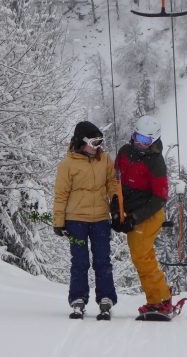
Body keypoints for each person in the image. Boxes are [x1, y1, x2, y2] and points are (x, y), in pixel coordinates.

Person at [53, 121, 118, 318]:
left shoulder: (105, 160)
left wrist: (115, 204)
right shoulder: (67, 165)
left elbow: (112, 183)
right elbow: (61, 194)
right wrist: (59, 221)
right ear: (82, 142)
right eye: (94, 142)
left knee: (102, 260)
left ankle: (106, 297)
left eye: (100, 141)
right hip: (75, 222)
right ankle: (78, 298)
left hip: (100, 219)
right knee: (80, 261)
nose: (98, 146)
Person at [111, 115, 172, 315]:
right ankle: (159, 294)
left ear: (153, 140)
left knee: (141, 256)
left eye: (145, 140)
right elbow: (116, 182)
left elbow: (160, 197)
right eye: (137, 137)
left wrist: (134, 218)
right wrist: (115, 210)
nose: (139, 143)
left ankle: (160, 300)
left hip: (149, 213)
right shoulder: (124, 152)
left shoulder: (155, 162)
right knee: (141, 256)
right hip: (128, 210)